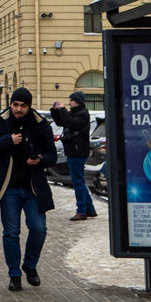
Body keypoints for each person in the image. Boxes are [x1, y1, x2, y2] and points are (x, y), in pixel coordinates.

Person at [0, 87, 58, 291]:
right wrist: (8, 140)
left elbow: (52, 155)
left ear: (29, 106)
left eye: (23, 106)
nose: (19, 109)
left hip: (33, 188)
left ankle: (30, 266)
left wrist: (40, 160)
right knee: (11, 232)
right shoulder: (0, 121)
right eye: (15, 105)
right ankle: (14, 274)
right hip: (9, 189)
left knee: (39, 229)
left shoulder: (40, 124)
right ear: (11, 104)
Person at [51, 90, 97, 221]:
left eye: (71, 100)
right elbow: (61, 122)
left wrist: (63, 110)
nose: (69, 102)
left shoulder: (82, 114)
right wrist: (55, 110)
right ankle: (90, 209)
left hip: (78, 152)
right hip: (73, 151)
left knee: (78, 182)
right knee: (79, 180)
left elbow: (71, 123)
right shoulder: (74, 112)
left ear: (77, 101)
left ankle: (81, 210)